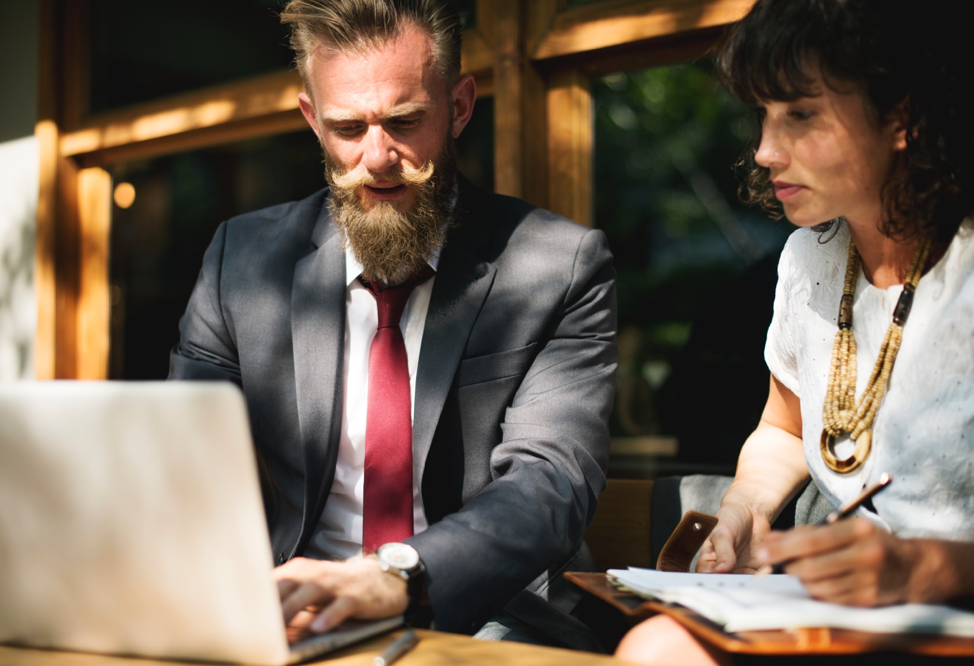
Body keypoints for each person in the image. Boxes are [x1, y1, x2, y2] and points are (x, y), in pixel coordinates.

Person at [168, 0, 617, 651]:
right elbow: (185, 463)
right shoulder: (241, 261)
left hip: (487, 613)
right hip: (294, 613)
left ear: (460, 106)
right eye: (348, 128)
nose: (377, 157)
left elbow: (548, 486)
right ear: (310, 120)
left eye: (404, 121)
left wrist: (394, 576)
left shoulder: (560, 266)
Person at [615, 1, 974, 663]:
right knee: (655, 647)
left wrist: (924, 567)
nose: (764, 150)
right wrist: (747, 506)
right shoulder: (811, 258)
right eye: (762, 115)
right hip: (834, 618)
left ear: (904, 115)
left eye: (800, 115)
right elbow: (783, 429)